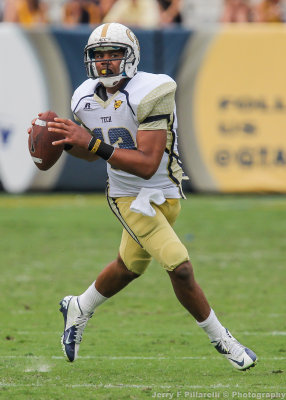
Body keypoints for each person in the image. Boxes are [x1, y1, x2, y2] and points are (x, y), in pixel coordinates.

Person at [28, 22, 257, 370]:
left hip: (164, 191)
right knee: (179, 267)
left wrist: (89, 142)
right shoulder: (83, 97)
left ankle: (79, 306)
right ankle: (223, 341)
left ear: (130, 57)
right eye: (98, 56)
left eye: (113, 54)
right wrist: (67, 141)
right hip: (126, 197)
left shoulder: (154, 90)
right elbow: (94, 152)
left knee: (128, 266)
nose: (105, 62)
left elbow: (148, 163)